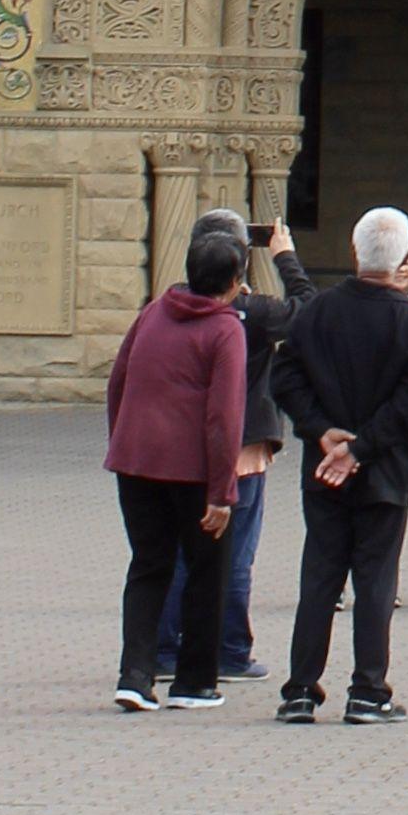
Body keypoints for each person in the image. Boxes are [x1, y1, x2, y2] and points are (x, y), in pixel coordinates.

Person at [272, 206, 408, 720]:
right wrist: (360, 448)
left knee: (320, 577)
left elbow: (285, 377)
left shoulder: (318, 311)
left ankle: (300, 690)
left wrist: (321, 431)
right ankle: (368, 692)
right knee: (375, 581)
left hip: (323, 466)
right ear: (403, 260)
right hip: (385, 471)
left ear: (355, 251)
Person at [104, 215, 250, 710]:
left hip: (135, 460)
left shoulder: (152, 312)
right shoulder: (225, 329)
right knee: (208, 571)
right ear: (235, 281)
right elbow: (224, 416)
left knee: (148, 566)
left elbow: (118, 381)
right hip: (193, 471)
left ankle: (135, 675)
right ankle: (194, 681)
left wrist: (122, 440)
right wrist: (222, 492)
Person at [151, 211, 293, 695]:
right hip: (240, 449)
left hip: (178, 450)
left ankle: (164, 649)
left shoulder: (167, 307)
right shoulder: (253, 312)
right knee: (234, 557)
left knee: (177, 552)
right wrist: (285, 256)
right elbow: (309, 310)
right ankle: (230, 650)